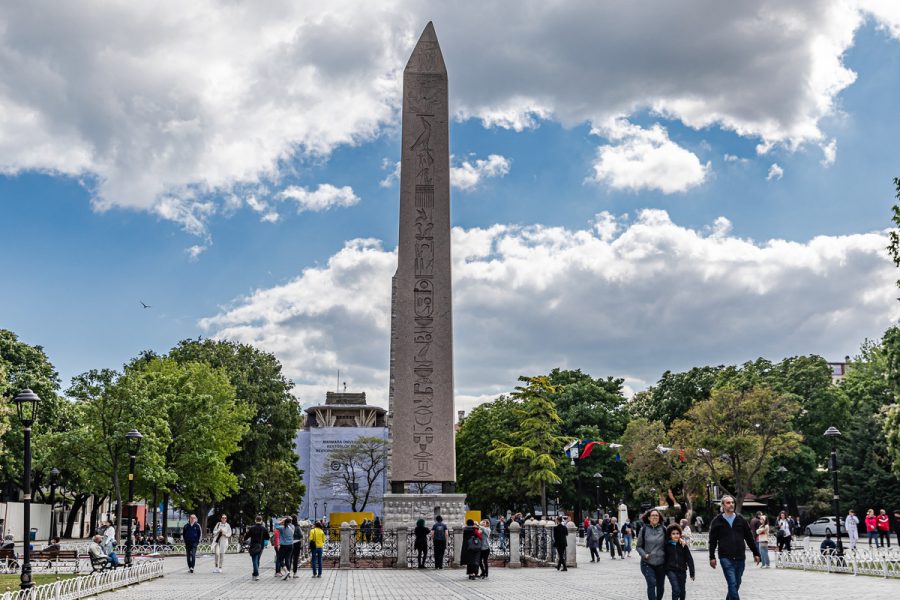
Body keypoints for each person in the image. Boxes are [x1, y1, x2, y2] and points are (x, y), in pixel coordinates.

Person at [708, 495, 760, 600]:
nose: (731, 504)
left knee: (736, 583)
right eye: (728, 503)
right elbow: (712, 541)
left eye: (732, 502)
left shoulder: (741, 519)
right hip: (725, 557)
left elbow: (749, 538)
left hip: (740, 557)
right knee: (732, 583)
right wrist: (711, 557)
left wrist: (756, 553)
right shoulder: (717, 521)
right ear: (723, 505)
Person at [636, 509, 666, 600]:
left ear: (659, 517)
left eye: (656, 515)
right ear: (649, 517)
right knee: (652, 583)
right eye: (653, 515)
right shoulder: (644, 529)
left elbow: (672, 539)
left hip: (661, 563)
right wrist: (644, 555)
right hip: (647, 563)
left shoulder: (664, 529)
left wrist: (680, 539)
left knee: (660, 586)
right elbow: (638, 546)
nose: (655, 517)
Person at [664, 524, 695, 600]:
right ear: (670, 535)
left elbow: (689, 559)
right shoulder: (666, 545)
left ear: (680, 535)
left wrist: (692, 573)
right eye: (673, 534)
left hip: (682, 570)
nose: (676, 536)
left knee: (682, 591)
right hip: (671, 571)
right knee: (676, 590)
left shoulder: (683, 545)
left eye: (677, 534)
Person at [243, 515, 268, 581]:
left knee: (254, 560)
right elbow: (267, 537)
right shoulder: (264, 528)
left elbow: (246, 536)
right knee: (257, 560)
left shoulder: (252, 528)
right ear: (261, 521)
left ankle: (256, 574)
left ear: (255, 520)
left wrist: (245, 539)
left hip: (253, 546)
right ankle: (255, 574)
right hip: (261, 546)